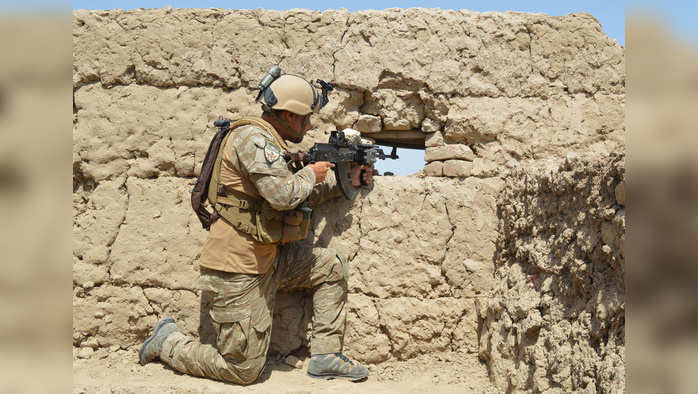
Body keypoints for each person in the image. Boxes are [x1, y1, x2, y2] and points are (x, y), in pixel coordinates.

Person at [138, 72, 372, 385]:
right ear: (288, 115)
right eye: (305, 118)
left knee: (332, 266)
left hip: (269, 258)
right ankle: (168, 342)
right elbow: (282, 195)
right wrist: (313, 172)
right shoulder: (253, 140)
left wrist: (345, 182)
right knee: (243, 371)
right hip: (238, 268)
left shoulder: (271, 143)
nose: (309, 125)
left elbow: (294, 196)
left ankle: (326, 357)